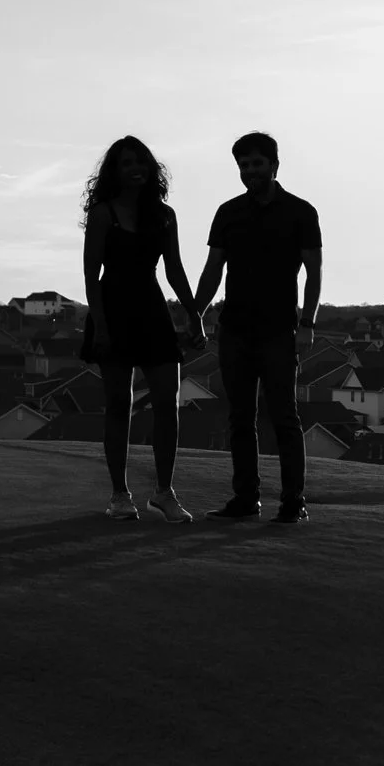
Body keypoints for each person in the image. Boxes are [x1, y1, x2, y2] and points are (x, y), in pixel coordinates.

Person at [191, 131, 322, 523]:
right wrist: (194, 313)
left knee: (284, 417)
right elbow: (213, 270)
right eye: (244, 166)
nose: (250, 171)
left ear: (274, 165)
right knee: (240, 419)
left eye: (257, 164)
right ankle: (246, 500)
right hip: (234, 331)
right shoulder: (228, 212)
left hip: (280, 331)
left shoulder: (301, 212)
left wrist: (307, 324)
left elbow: (314, 273)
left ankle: (293, 502)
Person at [80, 135, 201, 522]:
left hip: (152, 311)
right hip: (113, 310)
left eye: (141, 162)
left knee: (168, 402)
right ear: (114, 171)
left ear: (151, 169)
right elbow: (90, 274)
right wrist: (99, 325)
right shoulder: (103, 214)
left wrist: (194, 313)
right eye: (126, 163)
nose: (135, 168)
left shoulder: (165, 216)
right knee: (119, 405)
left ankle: (164, 493)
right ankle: (120, 495)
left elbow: (175, 269)